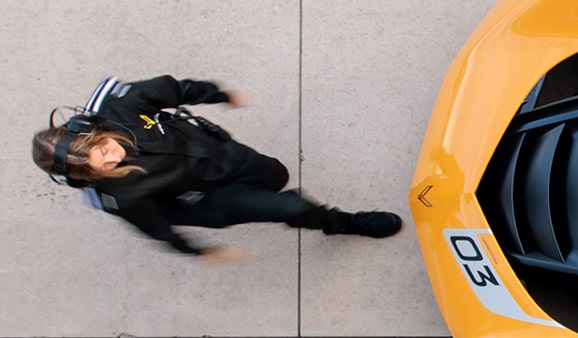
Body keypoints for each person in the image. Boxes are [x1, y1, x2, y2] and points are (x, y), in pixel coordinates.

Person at [29, 74, 400, 260]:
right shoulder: (119, 195)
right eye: (102, 166)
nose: (113, 157)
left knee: (277, 175)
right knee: (293, 206)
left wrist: (218, 94)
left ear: (90, 130)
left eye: (103, 148)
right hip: (207, 198)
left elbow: (173, 89)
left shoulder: (121, 106)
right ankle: (343, 223)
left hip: (222, 155)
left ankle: (280, 202)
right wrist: (198, 251)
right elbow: (156, 227)